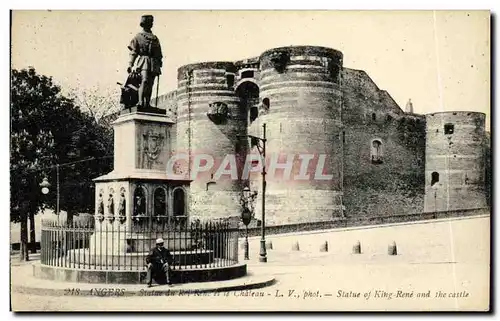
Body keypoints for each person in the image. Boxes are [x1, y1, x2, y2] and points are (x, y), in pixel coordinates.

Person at [127, 14, 163, 108]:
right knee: (145, 81)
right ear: (143, 24)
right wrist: (130, 64)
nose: (150, 24)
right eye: (147, 22)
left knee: (150, 84)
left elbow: (159, 53)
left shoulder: (155, 38)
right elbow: (133, 52)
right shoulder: (138, 37)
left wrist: (159, 61)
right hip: (144, 61)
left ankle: (147, 103)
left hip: (153, 63)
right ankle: (140, 102)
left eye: (151, 22)